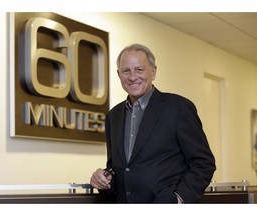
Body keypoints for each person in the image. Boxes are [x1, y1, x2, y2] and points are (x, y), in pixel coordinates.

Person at [90, 43, 216, 203]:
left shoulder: (178, 108)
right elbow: (119, 169)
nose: (133, 77)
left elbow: (203, 163)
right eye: (126, 71)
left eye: (139, 69)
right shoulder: (113, 116)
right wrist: (104, 179)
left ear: (153, 72)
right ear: (118, 74)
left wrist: (180, 199)